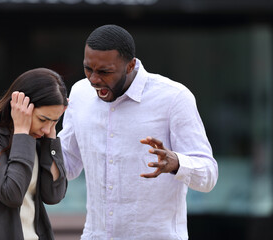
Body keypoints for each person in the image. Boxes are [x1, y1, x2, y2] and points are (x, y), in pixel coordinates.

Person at [57, 24, 219, 239]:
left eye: (105, 72)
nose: (94, 79)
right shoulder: (80, 93)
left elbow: (208, 176)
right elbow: (67, 164)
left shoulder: (174, 98)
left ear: (130, 65)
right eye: (88, 69)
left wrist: (177, 163)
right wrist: (32, 137)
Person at [0, 68, 68, 240]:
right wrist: (22, 132)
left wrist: (51, 139)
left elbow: (54, 194)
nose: (46, 129)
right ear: (22, 106)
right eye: (43, 119)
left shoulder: (39, 137)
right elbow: (12, 194)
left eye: (54, 121)